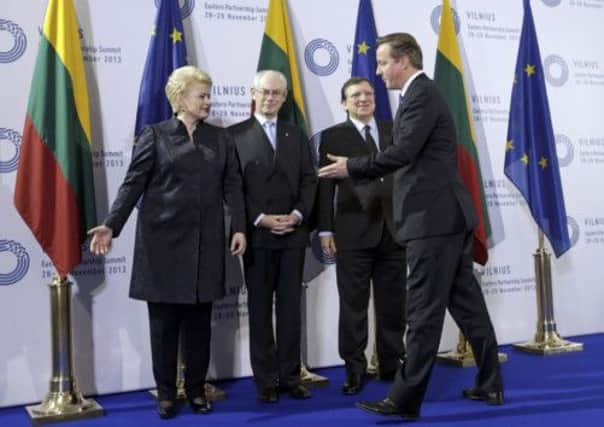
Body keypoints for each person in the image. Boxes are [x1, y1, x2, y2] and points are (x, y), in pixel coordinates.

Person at [319, 33, 503, 420]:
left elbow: (401, 153)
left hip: (432, 222)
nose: (380, 70)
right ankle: (490, 383)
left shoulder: (421, 94)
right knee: (467, 307)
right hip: (444, 219)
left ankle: (404, 400)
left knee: (421, 312)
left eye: (384, 62)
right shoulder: (420, 95)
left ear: (404, 61)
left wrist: (350, 167)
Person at [88, 66, 246, 419]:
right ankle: (164, 393)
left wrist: (238, 227)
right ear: (180, 98)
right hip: (162, 245)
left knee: (199, 326)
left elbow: (233, 185)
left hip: (206, 245)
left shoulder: (220, 139)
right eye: (201, 95)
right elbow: (133, 185)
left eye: (208, 95)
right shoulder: (155, 135)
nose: (208, 101)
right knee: (163, 327)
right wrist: (111, 226)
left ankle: (195, 390)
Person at [229, 70, 317, 403]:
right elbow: (233, 186)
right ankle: (265, 381)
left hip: (293, 235)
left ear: (284, 97)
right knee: (260, 309)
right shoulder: (235, 135)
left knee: (291, 310)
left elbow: (310, 180)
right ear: (253, 93)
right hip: (258, 237)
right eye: (265, 92)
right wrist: (260, 219)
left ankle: (291, 377)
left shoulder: (296, 133)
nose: (270, 98)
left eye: (277, 93)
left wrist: (296, 216)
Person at [317, 77, 406, 395]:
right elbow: (324, 187)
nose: (364, 99)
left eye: (369, 94)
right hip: (353, 233)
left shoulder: (393, 131)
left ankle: (391, 365)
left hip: (394, 233)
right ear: (344, 103)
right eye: (356, 95)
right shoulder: (332, 136)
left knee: (393, 305)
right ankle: (354, 370)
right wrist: (325, 228)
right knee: (353, 306)